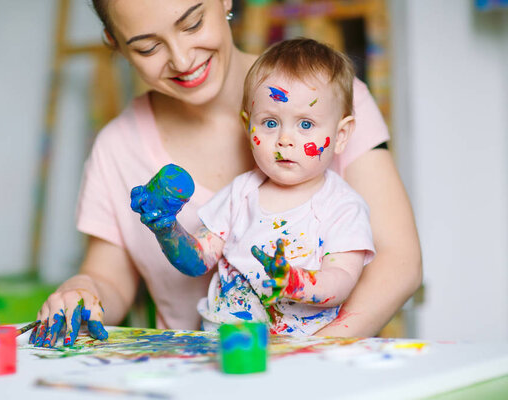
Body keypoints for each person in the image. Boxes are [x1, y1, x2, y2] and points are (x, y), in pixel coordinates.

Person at [30, 0, 421, 347]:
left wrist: (307, 357)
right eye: (148, 47)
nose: (183, 60)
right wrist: (84, 289)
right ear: (115, 43)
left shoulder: (325, 101)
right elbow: (109, 279)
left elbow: (399, 261)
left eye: (192, 23)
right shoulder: (116, 145)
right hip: (199, 376)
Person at [130, 39, 375, 335]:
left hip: (301, 354)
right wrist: (166, 227)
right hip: (226, 343)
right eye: (270, 123)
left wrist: (294, 282)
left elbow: (341, 281)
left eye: (306, 125)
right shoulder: (240, 195)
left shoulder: (342, 207)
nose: (285, 139)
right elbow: (197, 262)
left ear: (341, 135)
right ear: (248, 127)